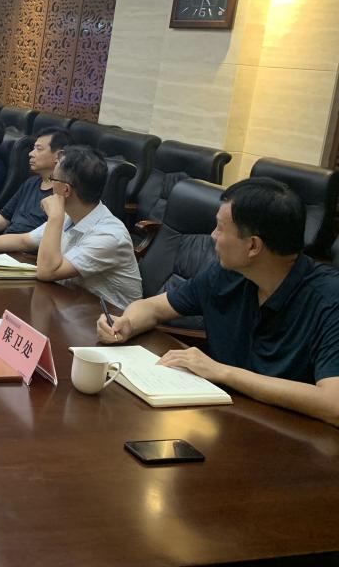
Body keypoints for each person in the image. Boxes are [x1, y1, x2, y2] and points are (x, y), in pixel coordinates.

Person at [98, 178, 339, 427]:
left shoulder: (330, 300)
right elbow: (152, 308)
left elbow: (334, 404)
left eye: (220, 229)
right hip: (225, 419)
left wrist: (222, 371)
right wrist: (126, 323)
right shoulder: (227, 275)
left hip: (291, 436)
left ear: (253, 246)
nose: (212, 236)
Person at [0, 146, 141, 310]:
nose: (49, 184)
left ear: (65, 190)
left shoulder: (109, 235)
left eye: (53, 179)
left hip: (108, 320)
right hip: (71, 303)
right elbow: (24, 240)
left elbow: (46, 272)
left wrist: (54, 217)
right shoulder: (70, 215)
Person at [0, 129, 72, 236]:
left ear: (59, 156)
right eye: (33, 148)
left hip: (30, 244)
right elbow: (4, 216)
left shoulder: (63, 192)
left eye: (39, 149)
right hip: (6, 240)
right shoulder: (30, 183)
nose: (30, 153)